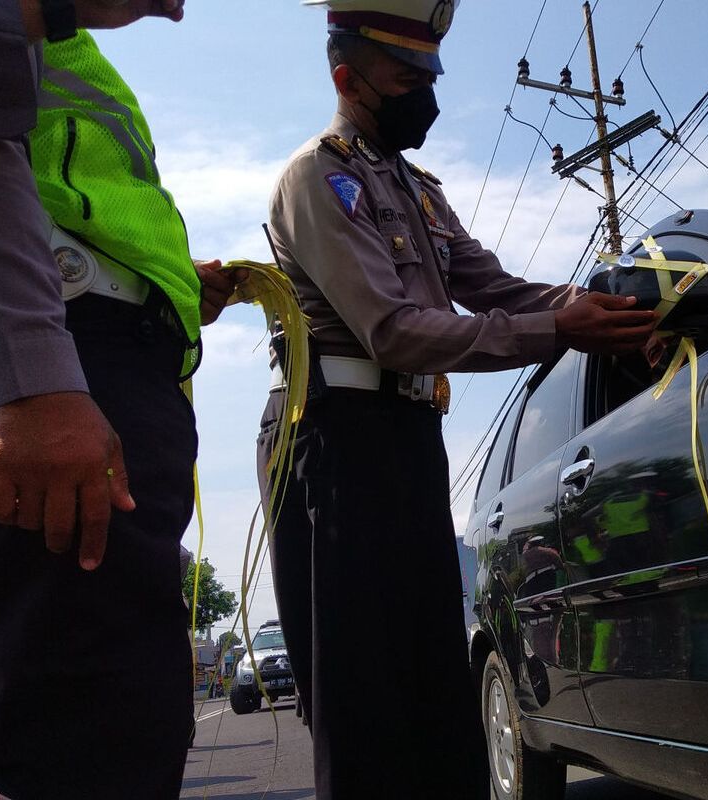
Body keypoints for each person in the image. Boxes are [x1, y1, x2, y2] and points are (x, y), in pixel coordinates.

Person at [258, 1, 658, 796]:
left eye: (430, 74)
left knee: (437, 686)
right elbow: (396, 332)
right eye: (407, 77)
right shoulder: (318, 178)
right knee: (366, 699)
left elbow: (496, 286)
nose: (426, 95)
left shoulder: (420, 191)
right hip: (335, 444)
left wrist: (614, 307)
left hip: (406, 440)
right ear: (348, 77)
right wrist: (560, 331)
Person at [0, 8, 243, 797]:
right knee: (71, 719)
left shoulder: (68, 51)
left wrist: (174, 281)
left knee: (116, 709)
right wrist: (35, 378)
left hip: (102, 363)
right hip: (59, 369)